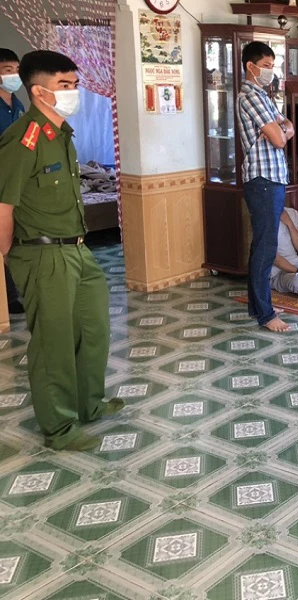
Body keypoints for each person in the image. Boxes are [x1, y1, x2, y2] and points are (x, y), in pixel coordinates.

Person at [0, 50, 124, 451]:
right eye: (64, 85)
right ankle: (59, 427)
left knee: (93, 328)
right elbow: (3, 205)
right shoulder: (23, 138)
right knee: (53, 342)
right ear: (39, 92)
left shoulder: (62, 134)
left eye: (75, 84)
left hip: (77, 248)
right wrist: (11, 256)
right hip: (42, 253)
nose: (74, 92)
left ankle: (89, 403)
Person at [237, 41, 294, 332]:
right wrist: (281, 131)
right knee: (265, 246)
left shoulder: (263, 96)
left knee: (263, 244)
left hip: (272, 178)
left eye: (272, 66)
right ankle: (266, 315)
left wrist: (281, 130)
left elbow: (288, 125)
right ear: (251, 66)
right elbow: (280, 139)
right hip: (262, 180)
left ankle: (258, 305)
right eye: (266, 66)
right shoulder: (250, 96)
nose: (271, 71)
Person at [0, 48, 25, 315]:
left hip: (16, 178)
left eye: (17, 70)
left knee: (14, 238)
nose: (14, 76)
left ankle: (15, 293)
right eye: (8, 71)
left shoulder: (17, 104)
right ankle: (7, 299)